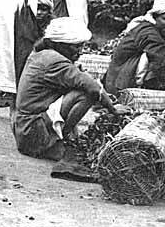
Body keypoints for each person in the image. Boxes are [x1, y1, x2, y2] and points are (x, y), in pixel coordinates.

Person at [13, 17, 120, 160]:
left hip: (24, 127)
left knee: (80, 87)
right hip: (32, 132)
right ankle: (54, 141)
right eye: (75, 47)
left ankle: (58, 136)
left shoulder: (43, 53)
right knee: (85, 94)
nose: (79, 52)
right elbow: (93, 88)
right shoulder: (55, 60)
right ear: (59, 44)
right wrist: (113, 109)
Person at [104, 0, 165, 95]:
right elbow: (160, 61)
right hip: (120, 82)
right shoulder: (148, 32)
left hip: (119, 78)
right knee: (153, 59)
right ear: (155, 18)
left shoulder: (161, 32)